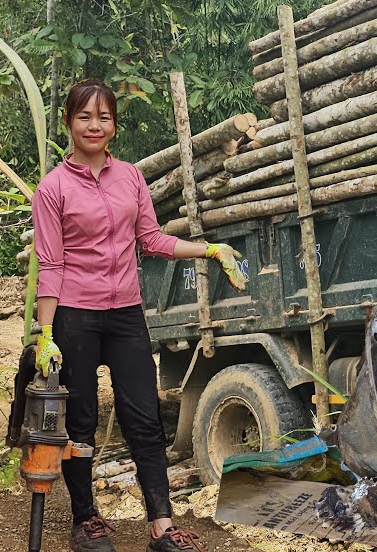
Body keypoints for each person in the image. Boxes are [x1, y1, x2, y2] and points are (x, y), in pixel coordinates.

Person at [31, 78, 246, 552]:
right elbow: (50, 263)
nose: (94, 125)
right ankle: (86, 520)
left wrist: (209, 248)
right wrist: (45, 333)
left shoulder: (129, 177)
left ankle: (162, 528)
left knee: (144, 417)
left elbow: (152, 240)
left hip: (127, 313)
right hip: (74, 316)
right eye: (84, 116)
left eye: (103, 117)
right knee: (80, 420)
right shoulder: (53, 188)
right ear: (68, 122)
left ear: (113, 126)